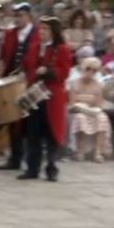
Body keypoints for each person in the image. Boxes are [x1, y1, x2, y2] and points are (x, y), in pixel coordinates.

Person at [18, 16, 70, 181]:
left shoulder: (61, 49)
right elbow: (27, 67)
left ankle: (52, 167)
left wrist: (47, 71)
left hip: (52, 95)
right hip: (34, 93)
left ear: (53, 31)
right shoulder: (34, 47)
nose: (42, 32)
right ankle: (32, 168)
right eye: (40, 29)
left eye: (45, 29)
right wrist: (33, 72)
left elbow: (64, 72)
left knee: (51, 132)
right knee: (33, 132)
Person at [0, 3, 42, 171]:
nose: (17, 19)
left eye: (21, 15)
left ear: (29, 16)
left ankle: (32, 161)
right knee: (13, 120)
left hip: (30, 83)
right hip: (11, 82)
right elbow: (4, 57)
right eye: (15, 15)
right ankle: (15, 158)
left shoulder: (37, 33)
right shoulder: (10, 34)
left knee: (30, 122)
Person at [68, 57, 110, 162]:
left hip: (92, 110)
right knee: (80, 117)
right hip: (77, 110)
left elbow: (99, 104)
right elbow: (72, 103)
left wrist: (88, 102)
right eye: (88, 68)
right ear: (83, 69)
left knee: (102, 118)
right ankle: (80, 151)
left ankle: (98, 153)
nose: (90, 72)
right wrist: (86, 102)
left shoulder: (99, 85)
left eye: (94, 70)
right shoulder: (74, 83)